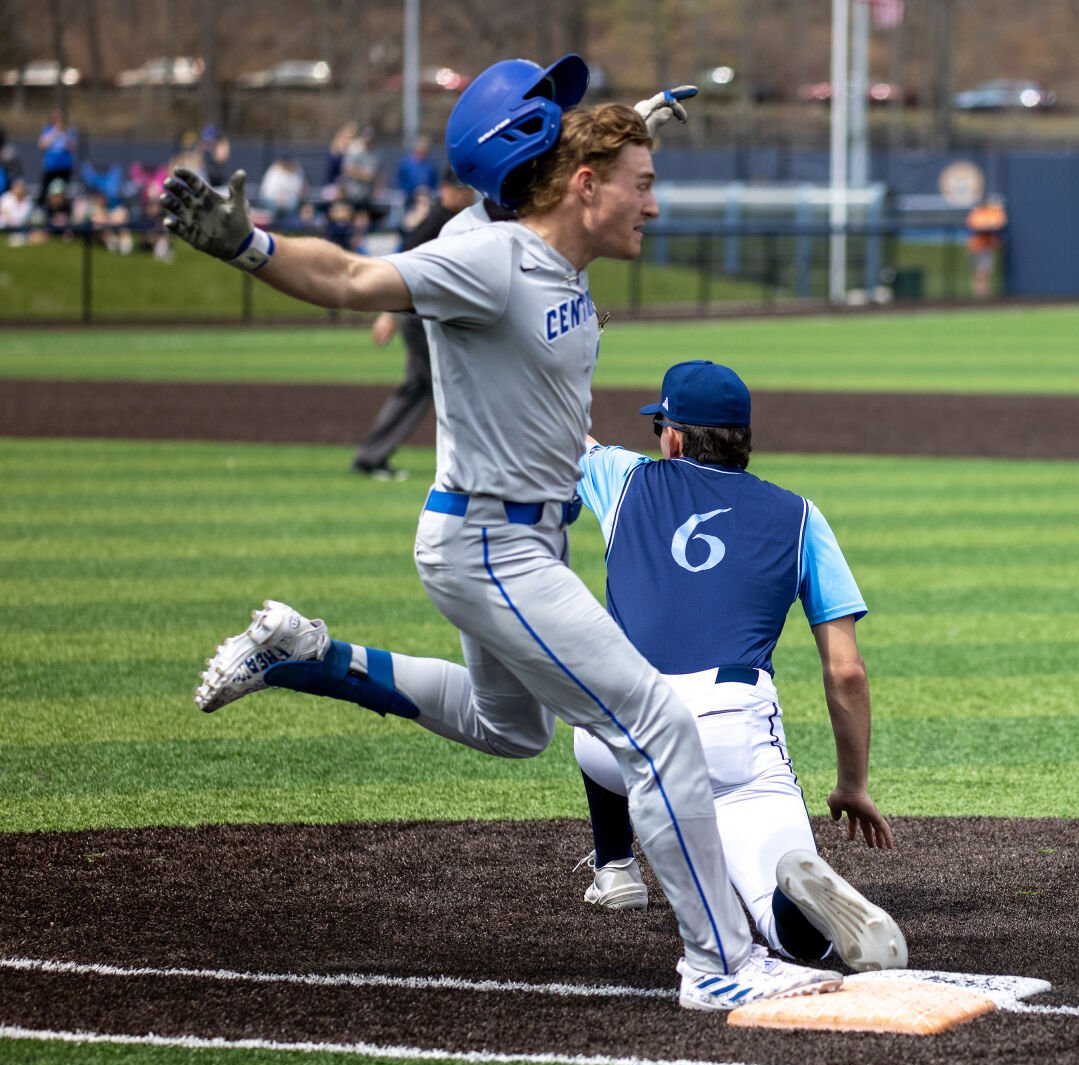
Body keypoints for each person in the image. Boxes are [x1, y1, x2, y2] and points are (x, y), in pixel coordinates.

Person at [164, 57, 828, 1012]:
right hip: (491, 546)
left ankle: (308, 655)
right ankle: (721, 966)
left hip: (512, 541)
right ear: (581, 185)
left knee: (508, 729)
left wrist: (632, 123)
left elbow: (577, 168)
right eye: (641, 185)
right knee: (657, 729)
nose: (655, 204)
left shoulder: (544, 235)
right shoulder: (484, 259)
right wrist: (248, 245)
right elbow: (351, 276)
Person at [569, 359, 907, 973]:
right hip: (731, 729)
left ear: (672, 437)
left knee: (597, 690)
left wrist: (554, 351)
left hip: (618, 729)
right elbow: (846, 671)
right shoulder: (799, 516)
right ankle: (790, 913)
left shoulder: (625, 481)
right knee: (780, 905)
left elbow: (559, 430)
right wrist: (851, 785)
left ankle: (615, 867)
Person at [353, 167, 476, 481]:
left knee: (424, 386)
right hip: (420, 318)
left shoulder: (454, 221)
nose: (467, 194)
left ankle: (372, 455)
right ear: (447, 189)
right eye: (461, 189)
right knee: (426, 386)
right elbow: (404, 269)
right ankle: (372, 456)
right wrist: (390, 314)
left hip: (428, 316)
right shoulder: (437, 223)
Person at [965, 195, 1006, 299]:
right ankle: (978, 297)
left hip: (987, 246)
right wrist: (987, 226)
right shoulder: (976, 212)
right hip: (975, 247)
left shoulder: (993, 212)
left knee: (984, 272)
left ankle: (984, 297)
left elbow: (998, 224)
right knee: (977, 273)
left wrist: (988, 226)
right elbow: (975, 226)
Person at [37, 108, 76, 203]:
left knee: (63, 190)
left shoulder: (70, 130)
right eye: (56, 117)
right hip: (51, 165)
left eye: (60, 117)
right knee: (45, 189)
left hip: (65, 165)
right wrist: (54, 133)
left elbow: (73, 148)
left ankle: (63, 210)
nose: (58, 119)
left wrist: (64, 134)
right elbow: (42, 145)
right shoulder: (48, 130)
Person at [393, 135, 438, 206]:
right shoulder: (405, 164)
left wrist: (426, 189)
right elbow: (401, 183)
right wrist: (415, 190)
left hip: (426, 198)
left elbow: (434, 183)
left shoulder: (430, 166)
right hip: (409, 199)